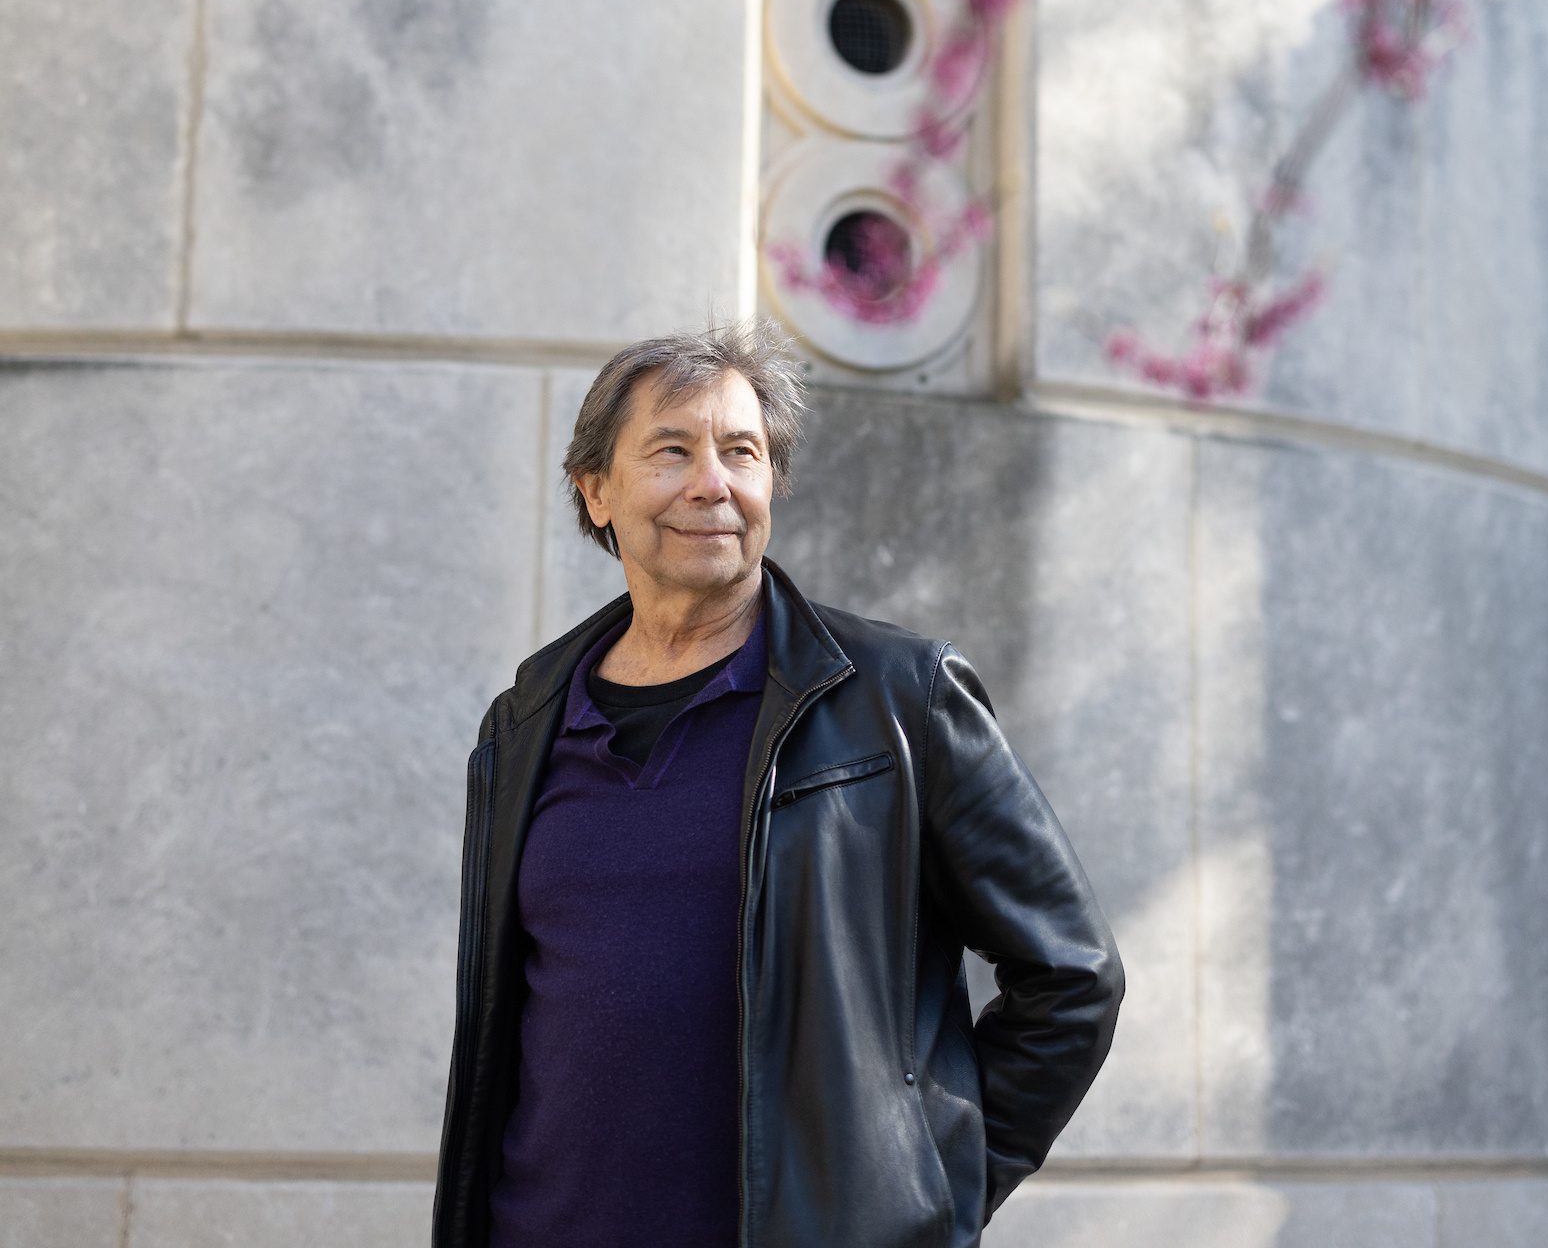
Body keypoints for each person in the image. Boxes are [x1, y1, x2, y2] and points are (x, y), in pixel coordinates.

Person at [432, 317, 1124, 1248]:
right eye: (671, 451)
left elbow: (1071, 978)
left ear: (771, 485)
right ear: (594, 491)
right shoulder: (525, 721)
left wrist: (922, 1195)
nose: (711, 485)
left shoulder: (899, 700)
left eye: (741, 452)